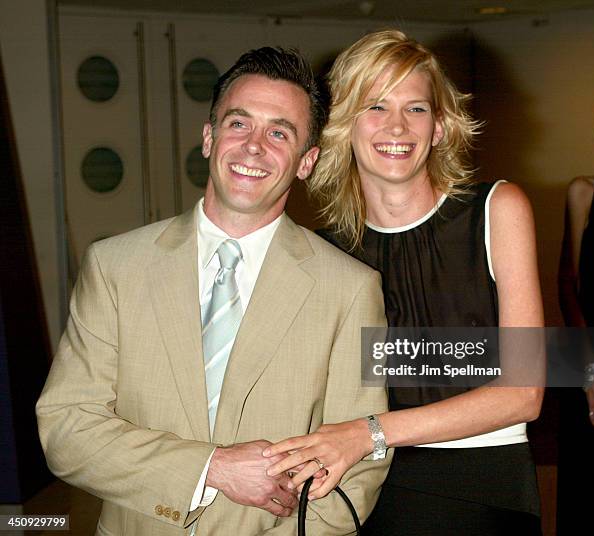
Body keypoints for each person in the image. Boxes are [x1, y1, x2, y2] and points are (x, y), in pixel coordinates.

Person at [36, 47, 391, 535]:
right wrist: (212, 468)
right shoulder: (114, 266)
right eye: (239, 124)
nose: (253, 147)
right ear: (209, 137)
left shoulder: (352, 290)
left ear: (306, 162)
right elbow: (67, 429)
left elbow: (362, 461)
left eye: (279, 133)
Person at [264, 30, 545, 535]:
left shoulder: (497, 210)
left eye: (415, 108)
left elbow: (524, 392)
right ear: (344, 126)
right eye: (375, 106)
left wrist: (369, 432)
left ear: (439, 127)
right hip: (368, 491)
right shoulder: (322, 253)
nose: (397, 126)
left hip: (485, 489)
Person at [557, 87, 594, 533]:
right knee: (590, 497)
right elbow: (568, 286)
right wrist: (592, 376)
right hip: (592, 355)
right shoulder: (585, 192)